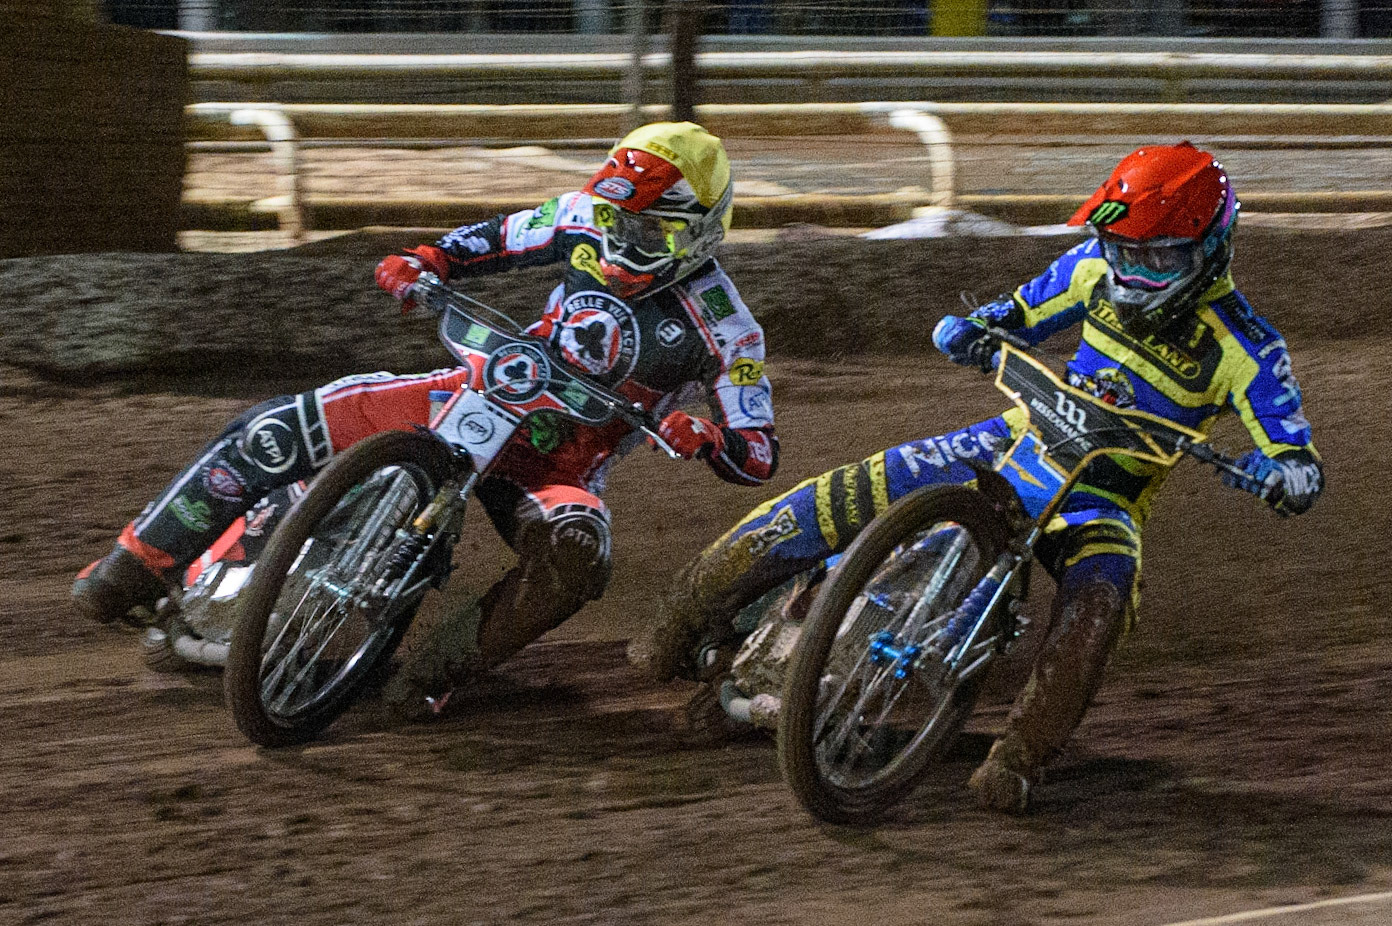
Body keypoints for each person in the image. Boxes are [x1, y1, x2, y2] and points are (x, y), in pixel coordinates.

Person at [628, 142, 1323, 812]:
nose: (1133, 271)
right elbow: (1015, 314)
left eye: (1156, 257)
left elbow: (1297, 456)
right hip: (1010, 442)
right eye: (1124, 251)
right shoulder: (1089, 268)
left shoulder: (1250, 350)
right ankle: (682, 618)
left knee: (1097, 610)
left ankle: (1019, 760)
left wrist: (1282, 475)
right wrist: (972, 328)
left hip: (1101, 501)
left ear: (1209, 250)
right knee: (841, 492)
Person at [73, 121, 780, 713]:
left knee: (577, 562)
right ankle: (133, 569)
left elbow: (758, 453)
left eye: (651, 231)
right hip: (476, 388)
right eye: (620, 219)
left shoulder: (726, 327)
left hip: (560, 465)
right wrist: (425, 259)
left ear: (702, 232)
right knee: (279, 426)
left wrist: (712, 437)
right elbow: (494, 240)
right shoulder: (582, 216)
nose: (626, 238)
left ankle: (435, 675)